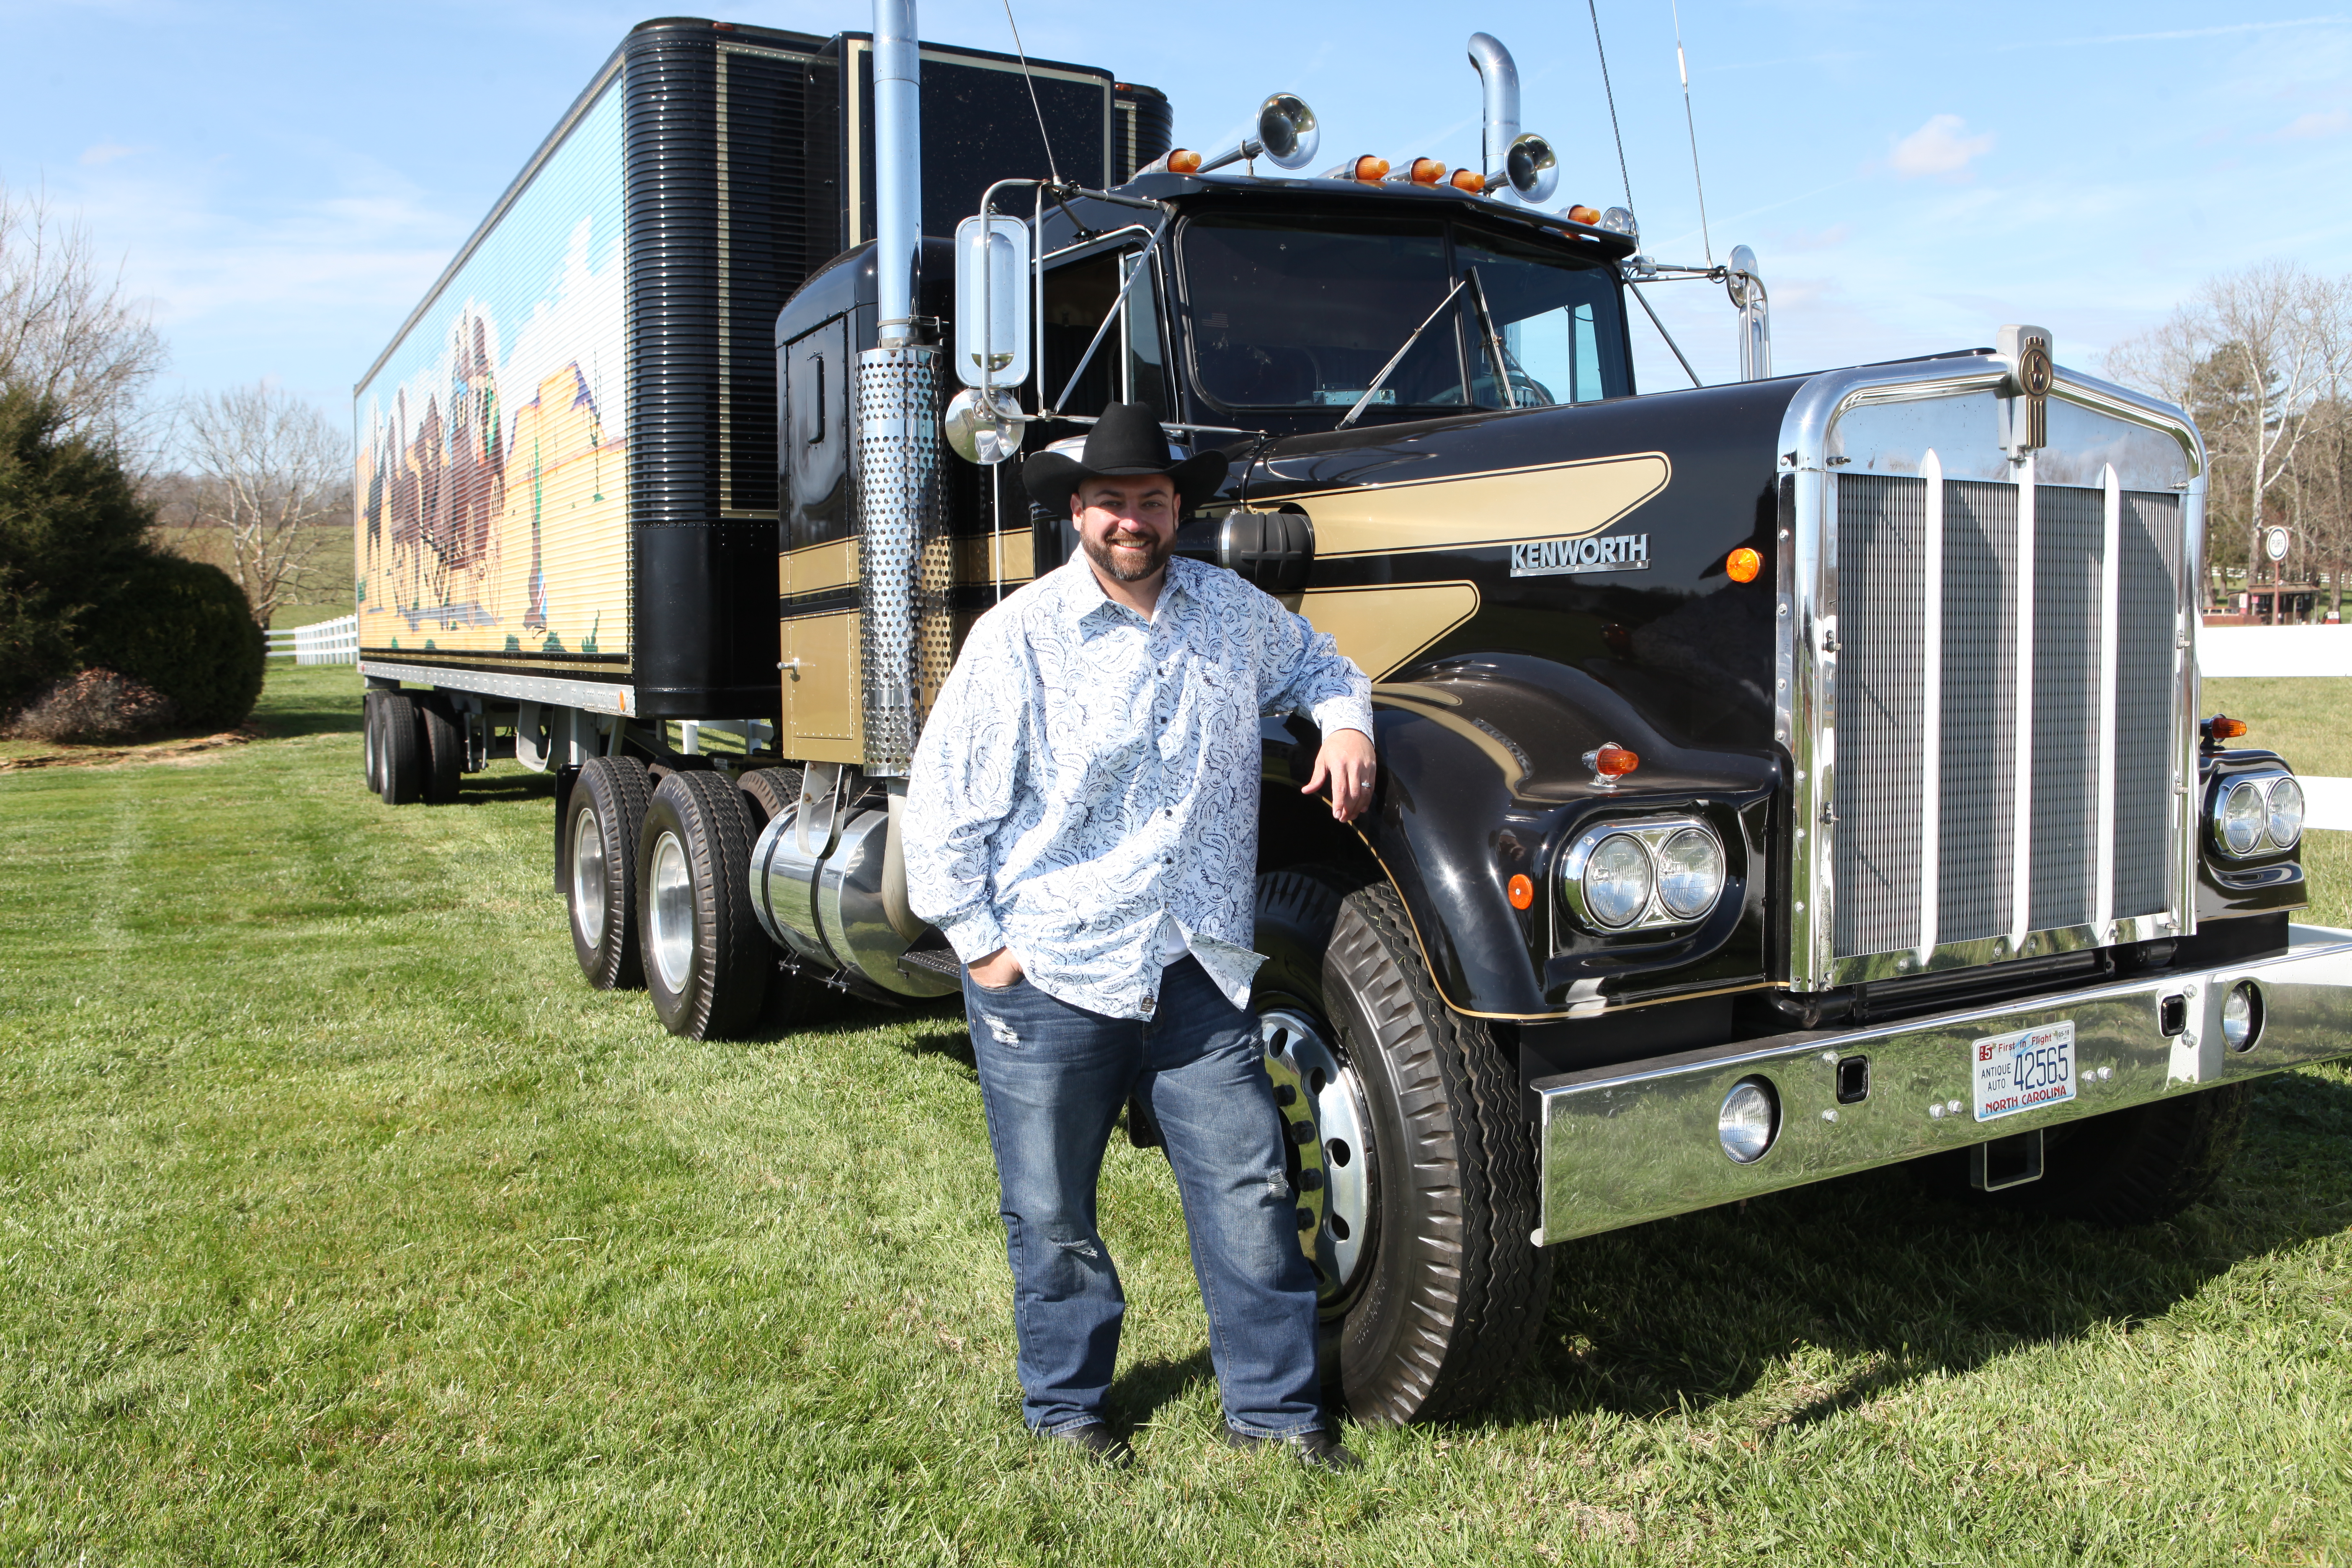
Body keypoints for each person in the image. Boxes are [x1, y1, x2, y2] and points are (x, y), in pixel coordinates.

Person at [904, 402, 1377, 1472]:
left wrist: (1346, 723)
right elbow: (939, 809)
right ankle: (1068, 1414)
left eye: (1151, 501)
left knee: (1252, 1191)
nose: (1132, 519)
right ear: (1078, 512)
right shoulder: (1018, 638)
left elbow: (1323, 668)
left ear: (1178, 510)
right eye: (1111, 501)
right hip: (1052, 971)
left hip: (1195, 966)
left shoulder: (1228, 611)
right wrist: (986, 949)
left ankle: (1276, 1418)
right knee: (1052, 1212)